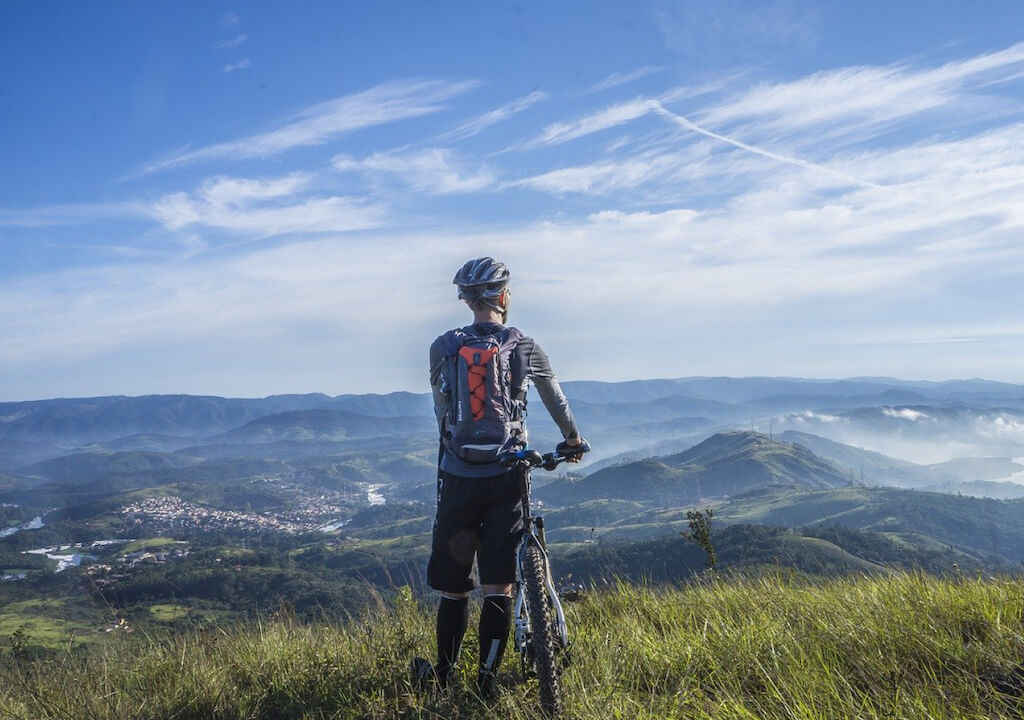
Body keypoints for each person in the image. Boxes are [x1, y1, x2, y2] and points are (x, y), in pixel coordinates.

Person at [414, 256, 586, 698]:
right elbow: (555, 398)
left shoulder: (442, 347)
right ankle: (486, 682)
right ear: (504, 296)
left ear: (466, 299)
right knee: (498, 587)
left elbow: (441, 412)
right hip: (507, 476)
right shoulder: (524, 345)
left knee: (454, 590)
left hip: (457, 477)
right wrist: (572, 440)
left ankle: (444, 678)